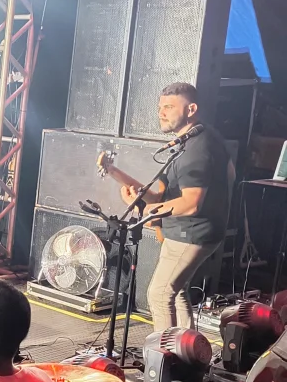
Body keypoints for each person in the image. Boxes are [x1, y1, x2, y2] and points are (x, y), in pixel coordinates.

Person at [98, 82, 232, 332]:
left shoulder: (197, 149)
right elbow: (159, 197)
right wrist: (114, 172)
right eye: (160, 107)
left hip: (191, 234)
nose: (161, 113)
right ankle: (186, 349)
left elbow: (190, 204)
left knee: (160, 294)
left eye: (169, 107)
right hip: (186, 230)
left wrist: (142, 211)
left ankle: (164, 353)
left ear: (191, 109)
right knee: (177, 291)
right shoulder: (191, 141)